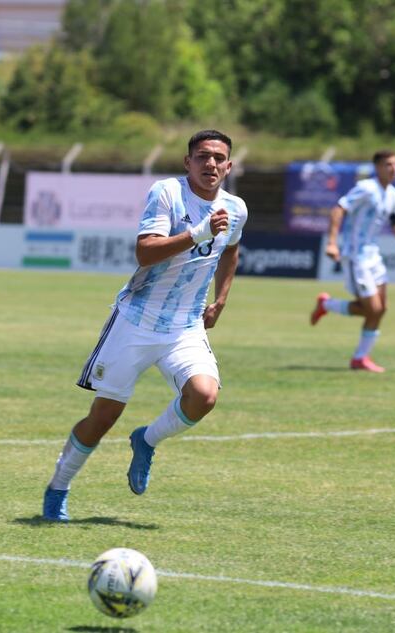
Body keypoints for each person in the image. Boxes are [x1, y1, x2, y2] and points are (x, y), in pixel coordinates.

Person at [41, 130, 247, 522]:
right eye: (202, 156)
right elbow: (145, 251)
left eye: (219, 158)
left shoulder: (236, 208)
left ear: (229, 166)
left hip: (184, 328)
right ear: (188, 163)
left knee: (204, 396)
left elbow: (231, 250)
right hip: (136, 321)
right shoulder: (167, 194)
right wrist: (197, 233)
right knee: (103, 417)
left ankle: (146, 440)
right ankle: (58, 487)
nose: (211, 164)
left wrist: (221, 299)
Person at [309, 150, 395, 372]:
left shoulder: (394, 195)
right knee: (372, 308)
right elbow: (339, 210)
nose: (393, 169)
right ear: (377, 167)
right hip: (356, 256)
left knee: (381, 309)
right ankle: (327, 305)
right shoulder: (366, 188)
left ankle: (360, 358)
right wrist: (332, 243)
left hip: (374, 256)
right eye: (388, 165)